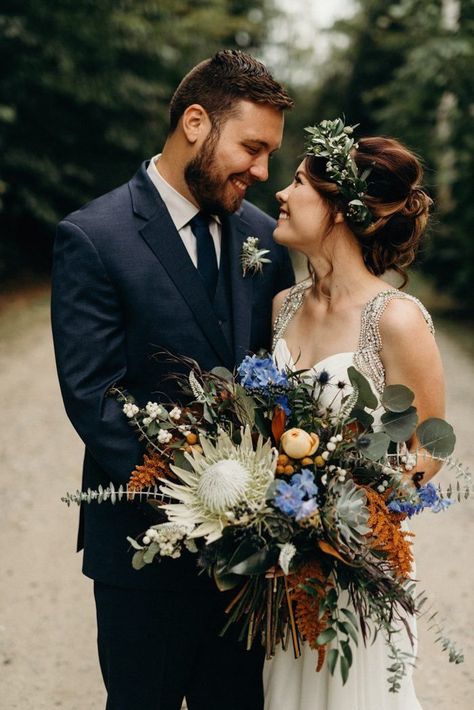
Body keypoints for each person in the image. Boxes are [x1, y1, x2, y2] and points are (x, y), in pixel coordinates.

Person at [51, 49, 294, 710]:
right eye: (251, 146)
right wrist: (204, 497)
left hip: (251, 564)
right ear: (195, 122)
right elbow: (94, 397)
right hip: (143, 553)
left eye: (269, 153)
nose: (262, 169)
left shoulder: (265, 239)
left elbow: (281, 377)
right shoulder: (94, 237)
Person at [264, 118, 444, 709]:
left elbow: (432, 446)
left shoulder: (395, 317)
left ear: (338, 208)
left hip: (358, 566)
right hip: (283, 569)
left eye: (297, 182)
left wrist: (360, 508)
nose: (281, 194)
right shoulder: (282, 307)